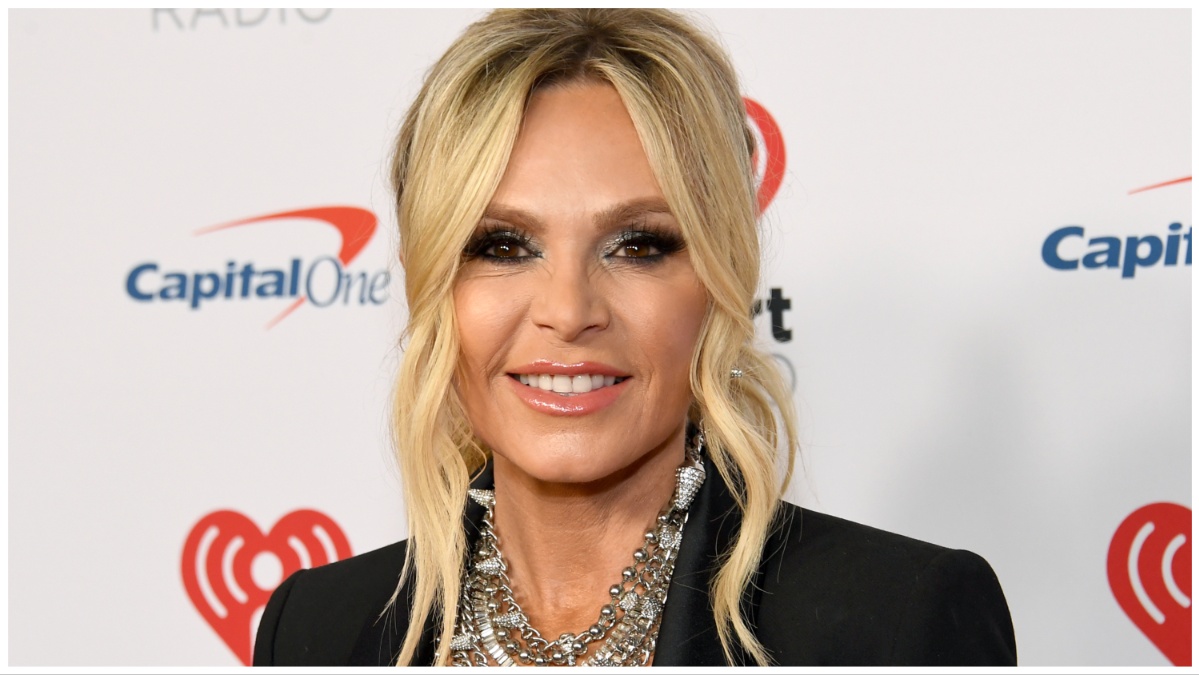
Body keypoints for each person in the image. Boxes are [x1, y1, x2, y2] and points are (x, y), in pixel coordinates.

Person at [253, 9, 1017, 667]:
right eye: (503, 245)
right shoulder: (318, 628)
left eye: (638, 245)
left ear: (720, 278)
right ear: (430, 283)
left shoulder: (896, 621)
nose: (568, 309)